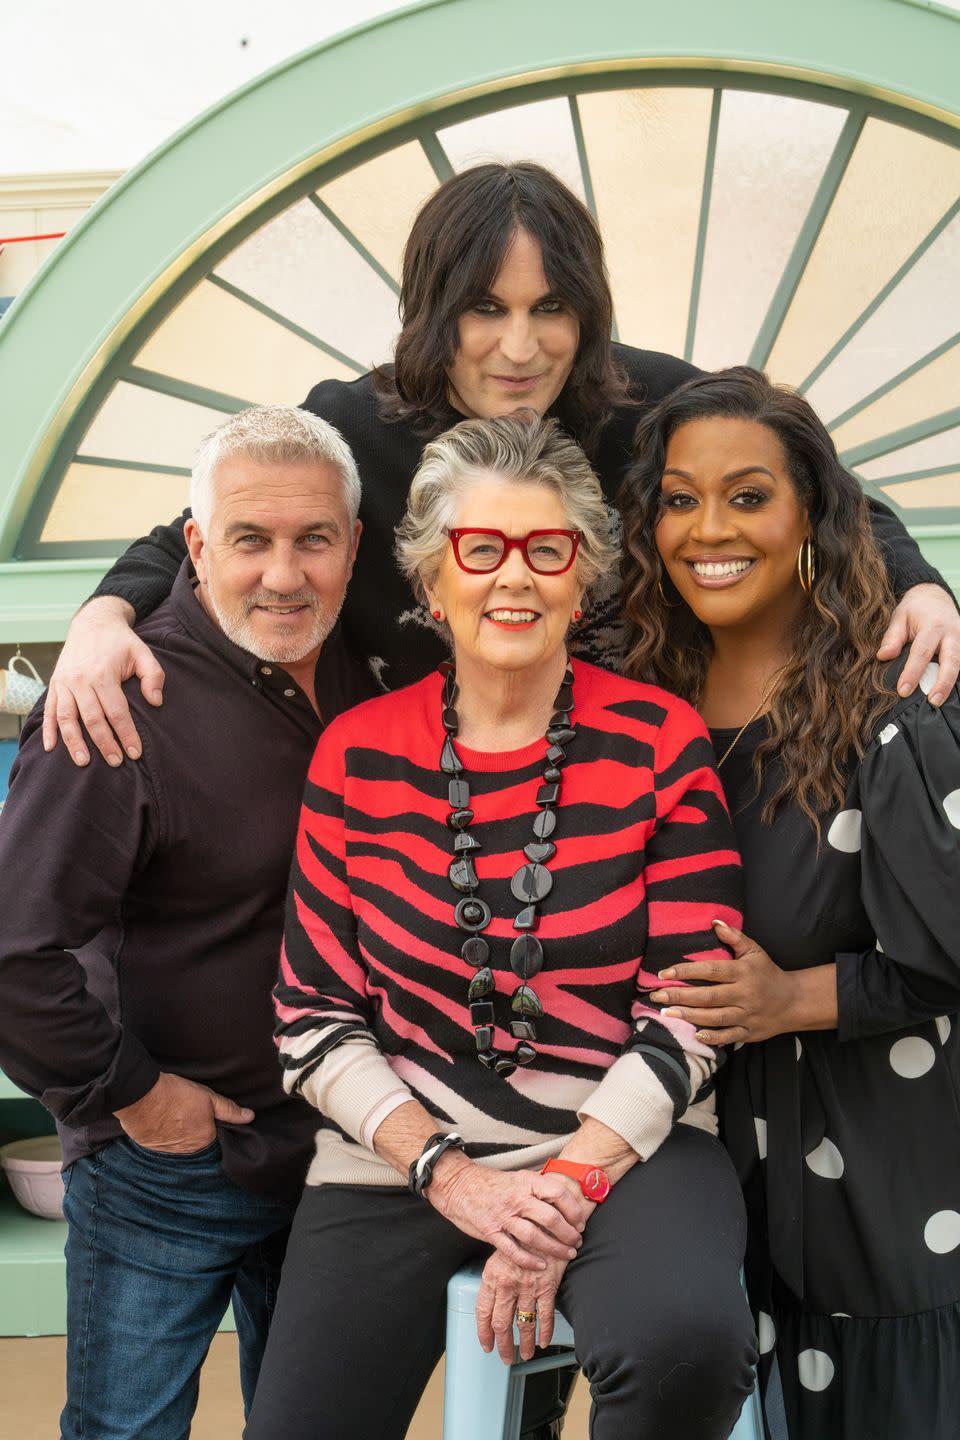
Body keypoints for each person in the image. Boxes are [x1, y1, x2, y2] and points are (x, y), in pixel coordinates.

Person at [40, 163, 960, 772]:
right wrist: (101, 616)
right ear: (434, 309)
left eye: (550, 307)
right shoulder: (352, 421)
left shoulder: (658, 404)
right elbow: (198, 534)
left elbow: (820, 496)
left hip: (640, 791)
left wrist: (920, 585)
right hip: (421, 800)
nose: (519, 348)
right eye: (485, 308)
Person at [243, 411, 758, 1440]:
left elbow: (695, 1008)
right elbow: (310, 1015)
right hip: (403, 1151)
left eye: (546, 549)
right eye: (480, 550)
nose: (513, 577)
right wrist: (451, 1173)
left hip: (627, 1143)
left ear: (585, 577)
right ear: (434, 582)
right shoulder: (356, 753)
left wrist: (569, 1182)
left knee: (684, 1349)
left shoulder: (662, 741)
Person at [0, 406, 373, 1440]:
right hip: (165, 1168)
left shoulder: (367, 678)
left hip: (338, 1154)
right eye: (251, 541)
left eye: (315, 540)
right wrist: (133, 1095)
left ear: (355, 545)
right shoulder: (117, 704)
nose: (284, 576)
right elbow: (11, 954)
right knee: (129, 1433)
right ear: (198, 544)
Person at [619, 367, 960, 1439]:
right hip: (707, 1184)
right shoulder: (637, 707)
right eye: (679, 500)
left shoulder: (893, 703)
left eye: (749, 495)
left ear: (813, 509)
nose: (709, 529)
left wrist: (788, 998)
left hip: (884, 1195)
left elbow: (946, 946)